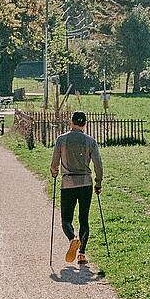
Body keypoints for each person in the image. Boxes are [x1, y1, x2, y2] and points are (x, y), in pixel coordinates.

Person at [50, 111, 103, 264]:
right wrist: (98, 183)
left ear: (71, 122)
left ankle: (73, 238)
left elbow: (55, 162)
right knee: (84, 219)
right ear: (85, 124)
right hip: (85, 183)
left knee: (66, 219)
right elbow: (98, 165)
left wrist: (54, 173)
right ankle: (82, 254)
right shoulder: (90, 141)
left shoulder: (61, 140)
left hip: (68, 183)